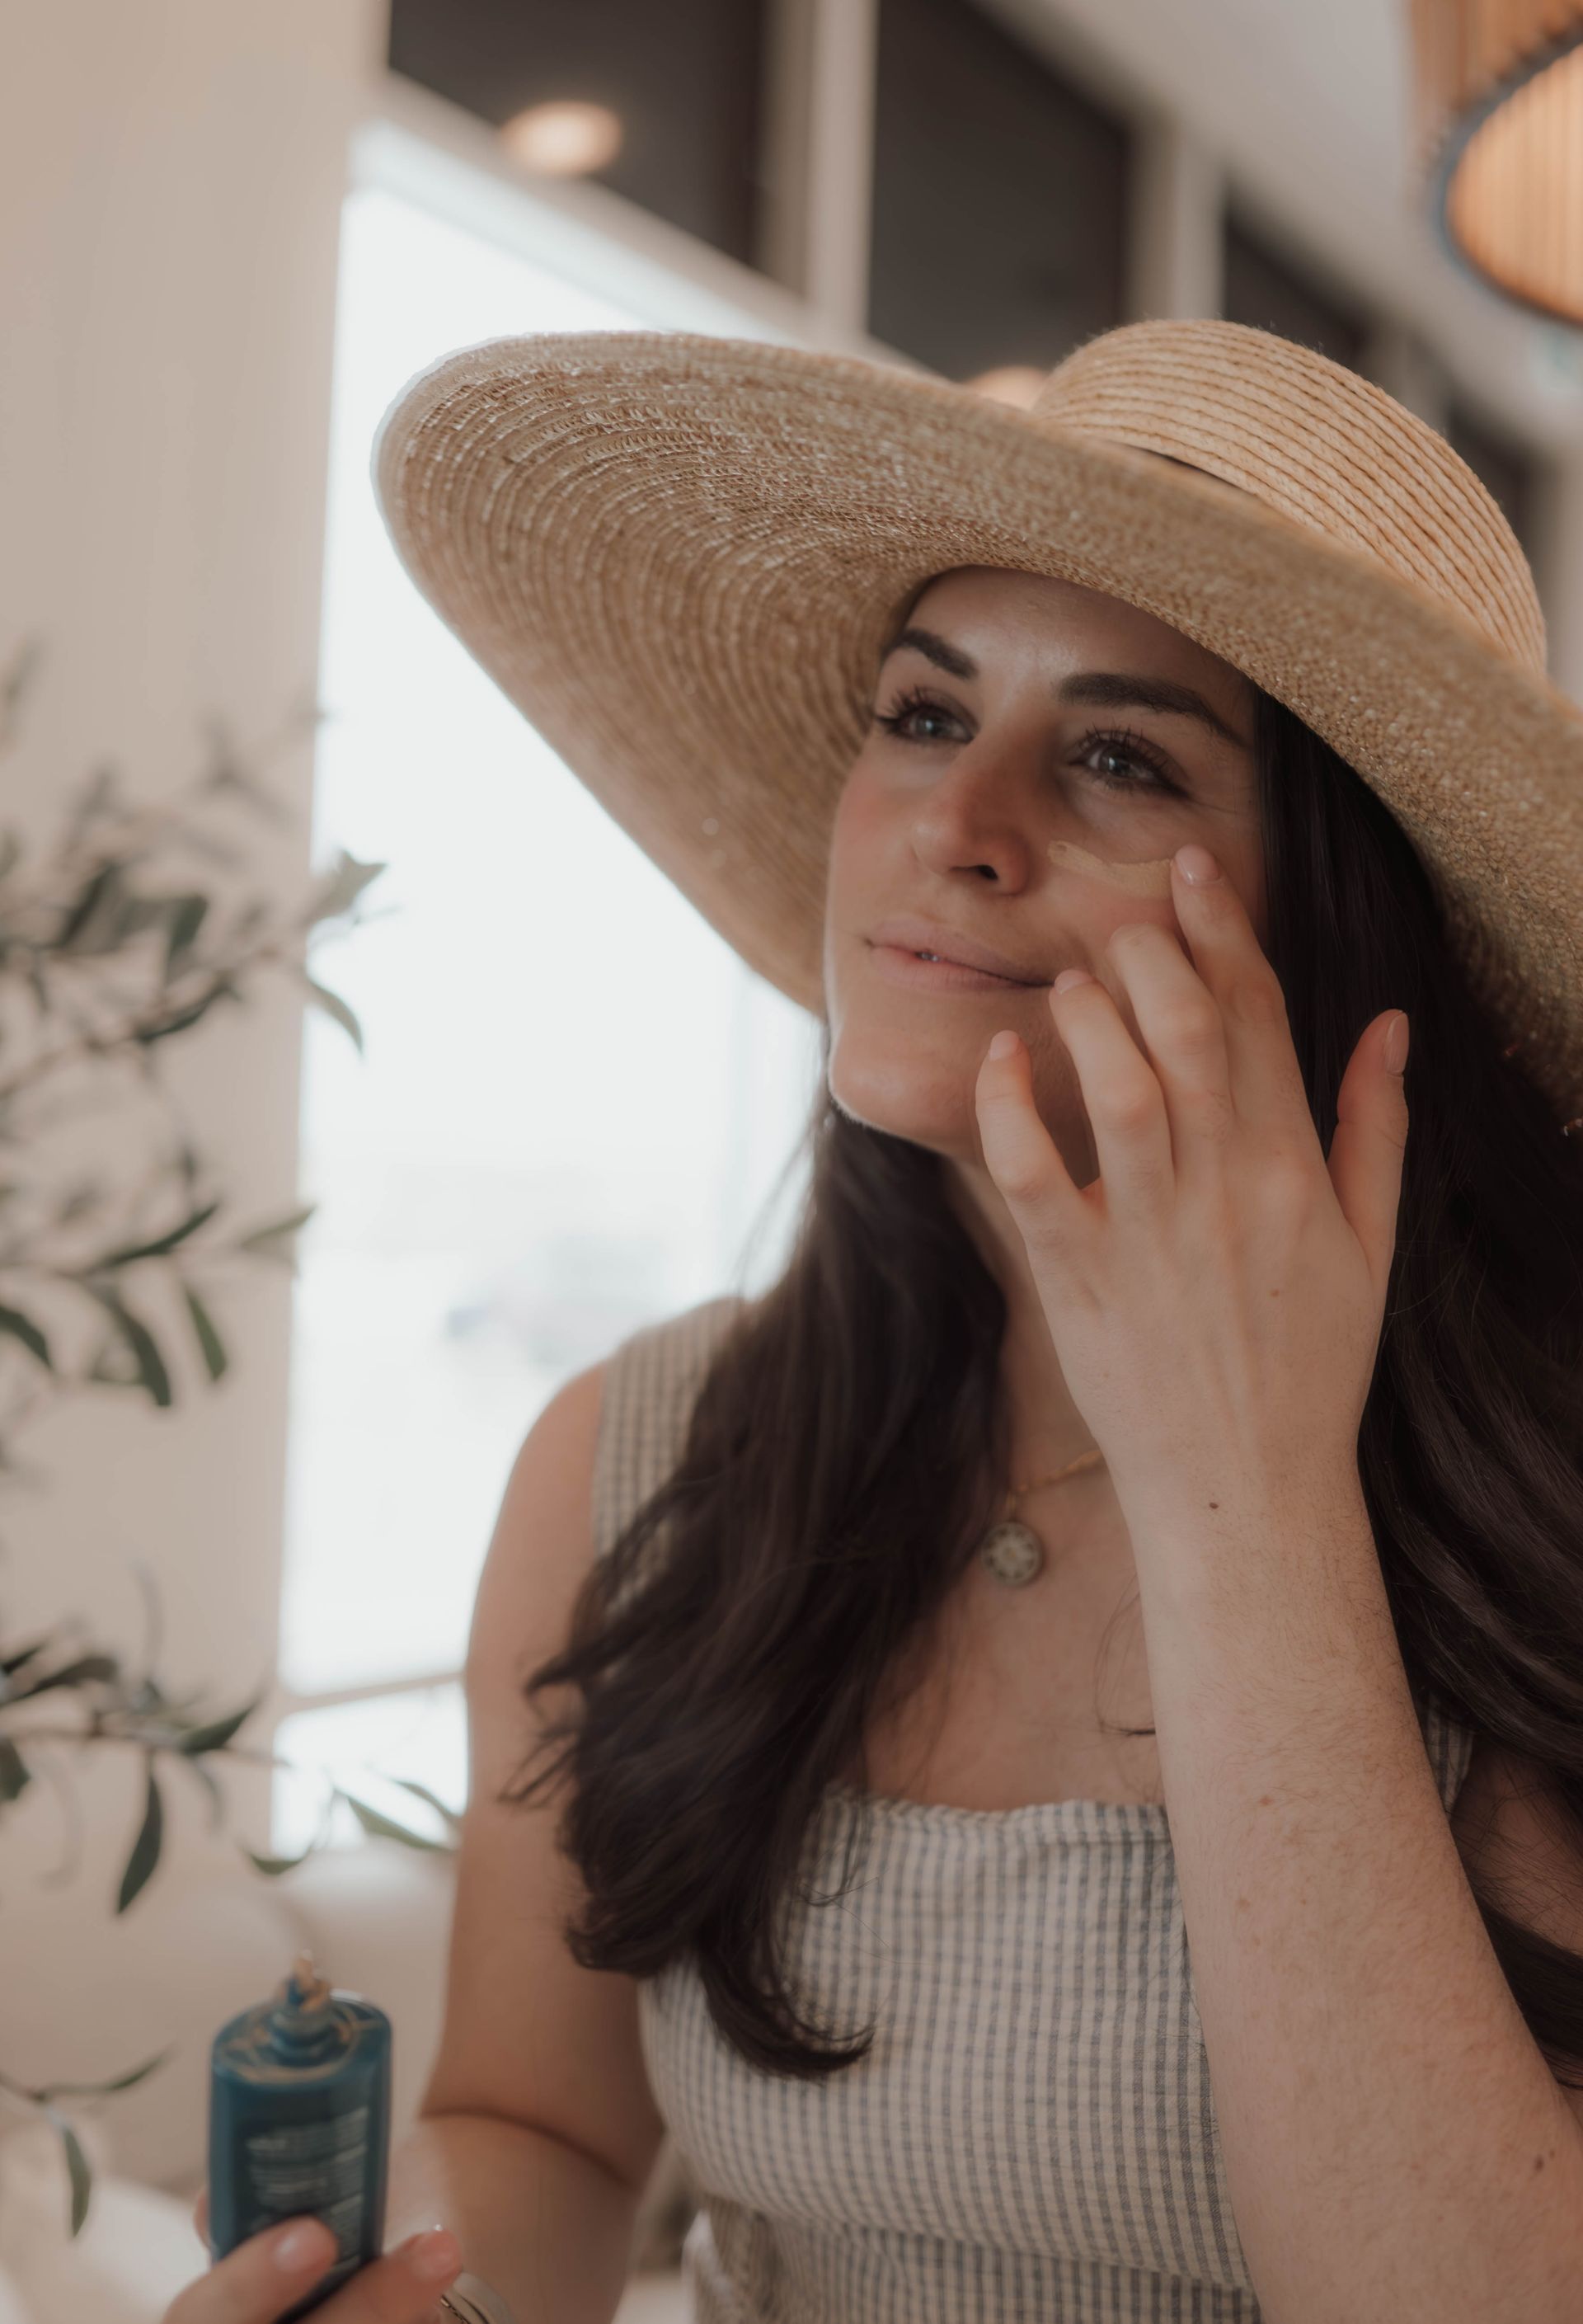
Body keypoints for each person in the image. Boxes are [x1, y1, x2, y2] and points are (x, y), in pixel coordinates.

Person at [167, 319, 1583, 2322]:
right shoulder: (634, 1453)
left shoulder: (1543, 1513)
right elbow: (544, 2126)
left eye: (1117, 754)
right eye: (924, 713)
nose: (958, 819)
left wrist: (1238, 1491)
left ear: (1342, 932)